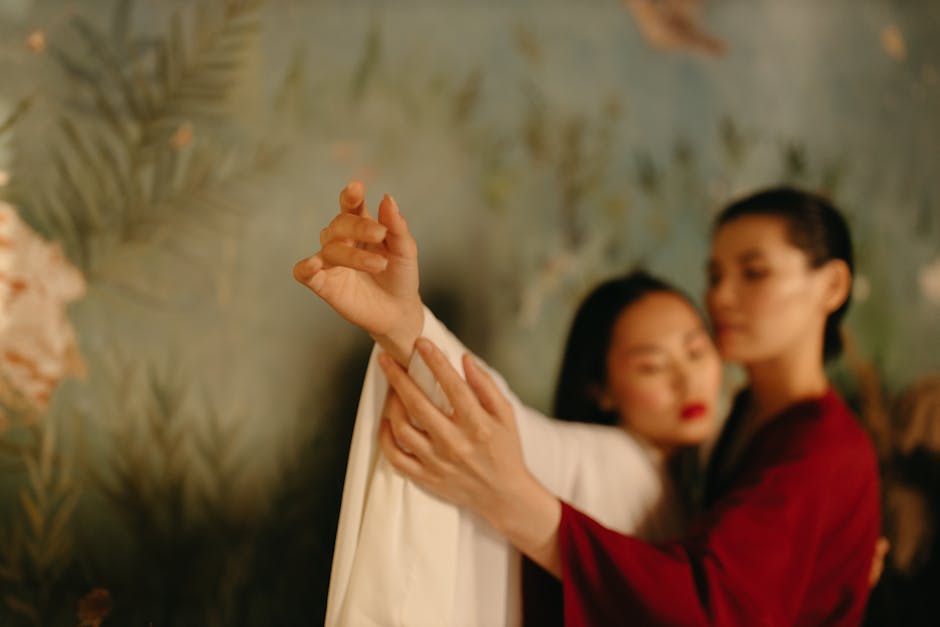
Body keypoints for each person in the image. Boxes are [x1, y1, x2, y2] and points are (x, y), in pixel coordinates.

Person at [296, 183, 882, 625]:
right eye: (714, 273)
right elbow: (539, 440)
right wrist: (405, 327)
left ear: (831, 286)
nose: (721, 296)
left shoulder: (823, 452)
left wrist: (515, 500)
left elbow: (716, 604)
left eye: (752, 273)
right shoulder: (744, 420)